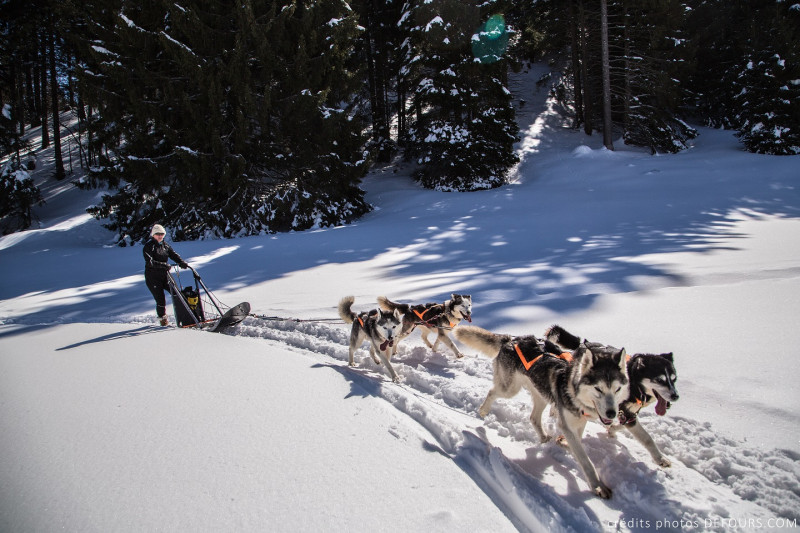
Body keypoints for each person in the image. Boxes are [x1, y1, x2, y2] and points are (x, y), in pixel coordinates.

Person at [143, 224, 189, 326]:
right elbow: (150, 263)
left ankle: (186, 316)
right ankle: (163, 321)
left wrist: (181, 262)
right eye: (158, 234)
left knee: (177, 293)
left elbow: (173, 254)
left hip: (165, 275)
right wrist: (164, 265)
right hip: (153, 277)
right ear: (153, 235)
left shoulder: (165, 245)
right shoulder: (149, 246)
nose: (160, 236)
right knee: (160, 299)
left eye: (162, 234)